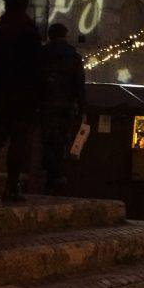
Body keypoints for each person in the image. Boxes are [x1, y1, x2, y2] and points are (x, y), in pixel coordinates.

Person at [0, 0, 42, 204]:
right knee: (19, 141)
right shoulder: (29, 32)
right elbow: (35, 68)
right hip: (23, 96)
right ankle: (11, 187)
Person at [38, 22, 86, 195]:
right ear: (65, 35)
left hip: (46, 104)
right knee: (61, 140)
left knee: (47, 140)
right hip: (66, 105)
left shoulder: (42, 54)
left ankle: (49, 173)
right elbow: (79, 83)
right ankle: (56, 175)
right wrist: (82, 106)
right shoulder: (73, 56)